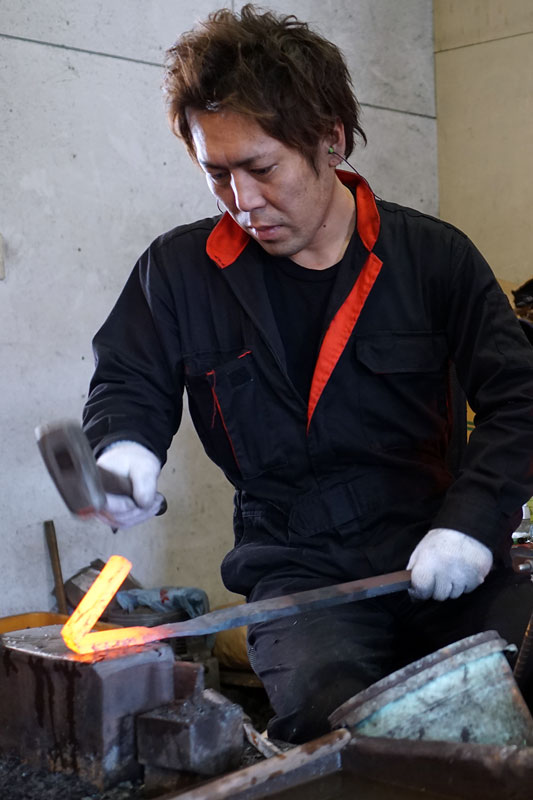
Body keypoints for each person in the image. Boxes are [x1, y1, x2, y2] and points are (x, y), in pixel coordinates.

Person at [83, 5, 533, 743]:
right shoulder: (179, 272)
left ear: (330, 138)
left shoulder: (434, 260)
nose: (242, 201)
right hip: (298, 575)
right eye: (217, 173)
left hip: (440, 547)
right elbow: (129, 380)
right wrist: (124, 450)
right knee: (338, 730)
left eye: (262, 169)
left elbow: (520, 401)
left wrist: (472, 524)